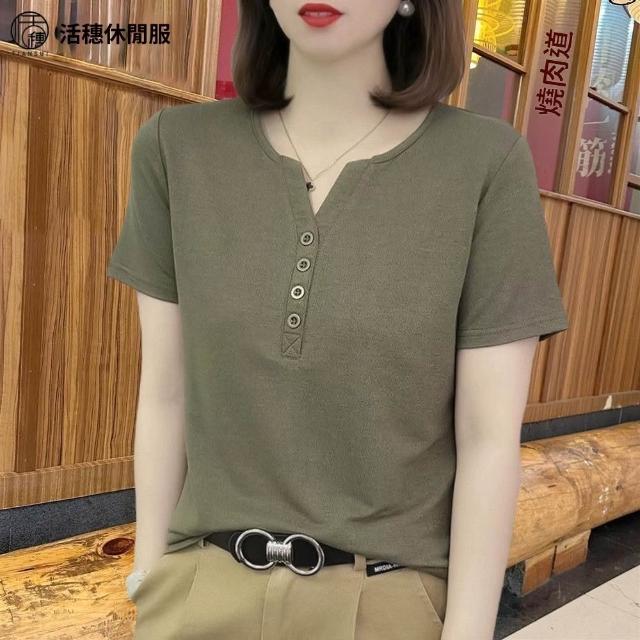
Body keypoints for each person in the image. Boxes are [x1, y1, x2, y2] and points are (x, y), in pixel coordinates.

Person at [107, 1, 570, 639]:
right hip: (197, 594)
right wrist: (149, 579)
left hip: (386, 603)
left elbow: (488, 439)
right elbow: (165, 394)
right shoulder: (176, 149)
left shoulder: (485, 164)